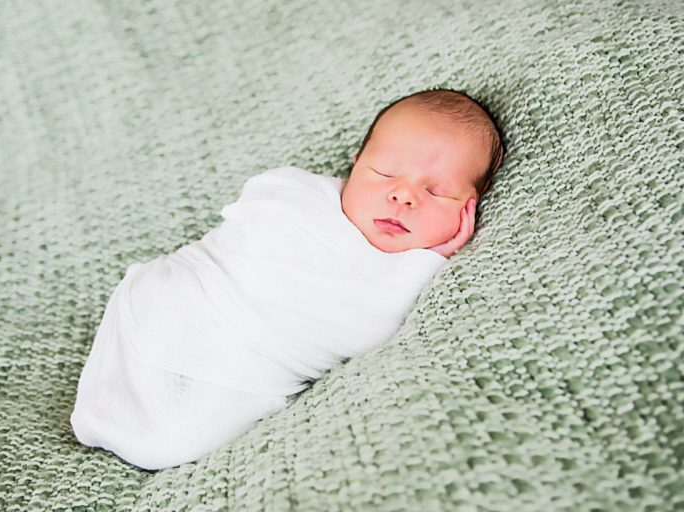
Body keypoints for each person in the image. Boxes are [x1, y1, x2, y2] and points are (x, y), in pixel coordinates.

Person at [70, 88, 505, 470]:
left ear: (468, 210)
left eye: (437, 193)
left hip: (249, 353)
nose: (403, 195)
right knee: (157, 324)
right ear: (355, 164)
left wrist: (429, 260)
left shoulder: (404, 279)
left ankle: (128, 414)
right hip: (183, 292)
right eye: (385, 172)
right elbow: (251, 218)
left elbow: (364, 327)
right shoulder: (296, 195)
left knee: (170, 441)